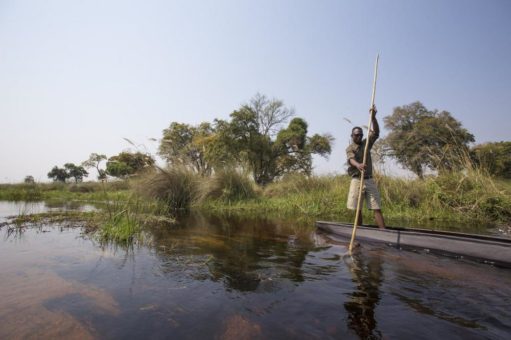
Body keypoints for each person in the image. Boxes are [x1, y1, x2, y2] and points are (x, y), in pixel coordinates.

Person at [346, 106, 385, 229]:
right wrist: (358, 165)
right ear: (352, 136)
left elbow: (376, 133)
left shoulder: (366, 144)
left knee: (376, 206)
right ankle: (358, 232)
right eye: (356, 135)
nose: (358, 137)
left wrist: (373, 118)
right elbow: (351, 159)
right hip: (357, 179)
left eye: (360, 135)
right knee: (358, 209)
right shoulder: (350, 148)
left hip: (369, 179)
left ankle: (384, 232)